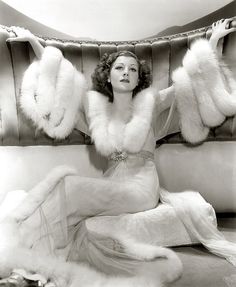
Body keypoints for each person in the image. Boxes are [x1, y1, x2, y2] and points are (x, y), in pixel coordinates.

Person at [0, 18, 236, 287]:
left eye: (133, 69)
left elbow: (193, 81)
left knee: (69, 187)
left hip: (141, 187)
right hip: (112, 183)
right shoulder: (95, 109)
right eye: (120, 67)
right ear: (108, 74)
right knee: (62, 204)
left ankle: (17, 260)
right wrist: (33, 42)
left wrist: (214, 42)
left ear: (139, 77)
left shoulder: (152, 102)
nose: (126, 72)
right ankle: (27, 271)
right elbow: (62, 83)